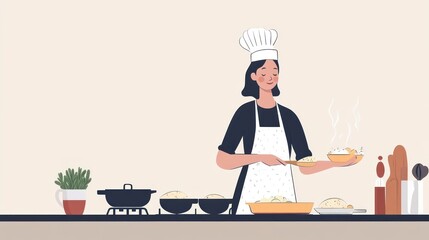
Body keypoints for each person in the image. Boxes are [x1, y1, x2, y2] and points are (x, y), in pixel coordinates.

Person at [216, 28, 359, 215]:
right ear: (253, 75)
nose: (270, 77)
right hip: (248, 201)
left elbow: (305, 166)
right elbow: (223, 160)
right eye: (264, 71)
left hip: (285, 200)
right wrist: (259, 157)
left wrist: (338, 163)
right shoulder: (244, 114)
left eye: (275, 72)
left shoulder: (289, 117)